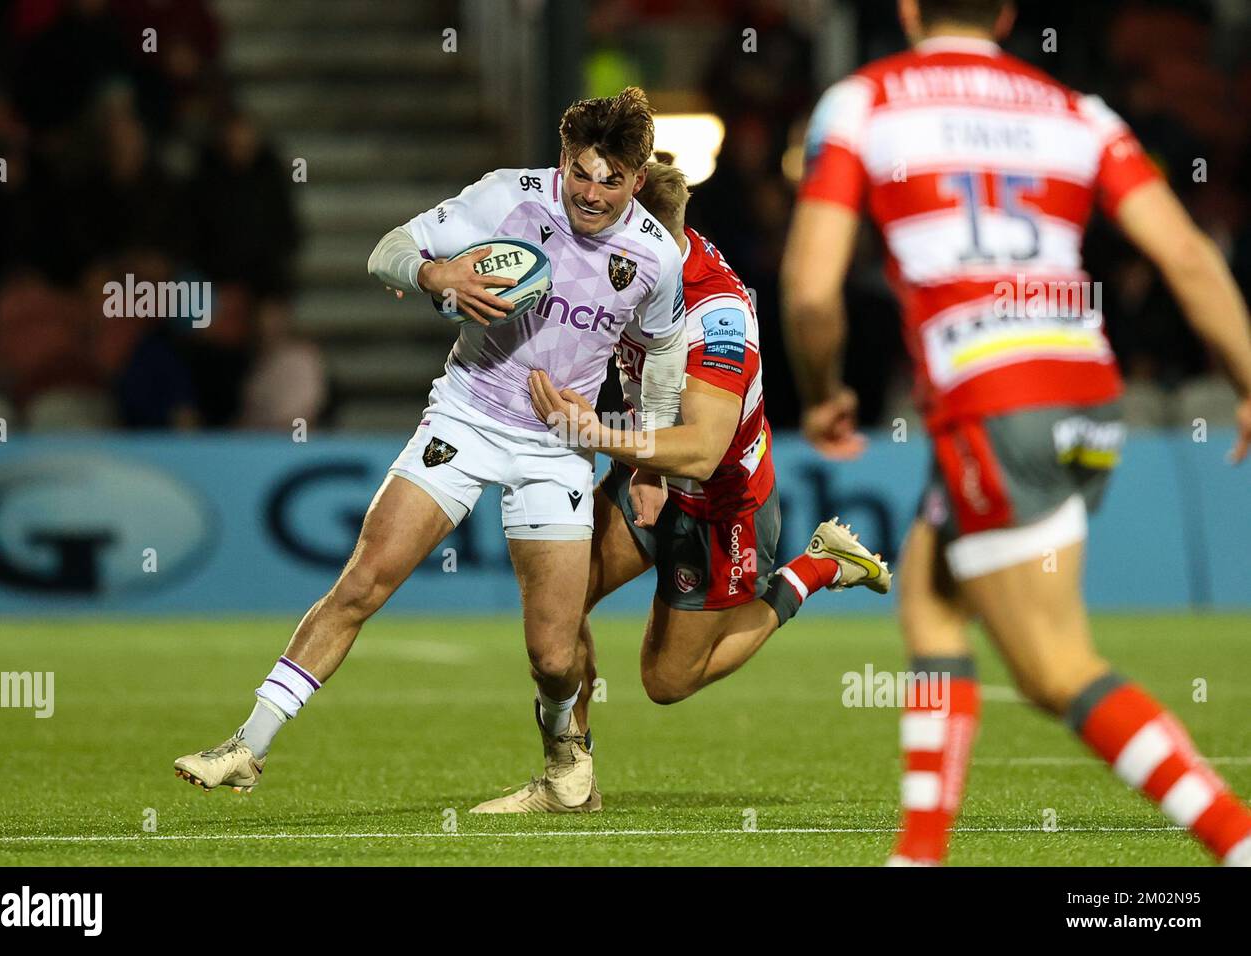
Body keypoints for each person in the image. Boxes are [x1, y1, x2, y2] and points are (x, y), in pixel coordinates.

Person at [782, 0, 1251, 866]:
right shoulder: (1078, 112)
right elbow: (1188, 255)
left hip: (995, 401)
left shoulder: (865, 101)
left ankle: (1235, 839)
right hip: (1085, 392)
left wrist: (822, 394)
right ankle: (919, 854)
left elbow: (811, 290)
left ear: (909, 8)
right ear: (1003, 14)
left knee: (1053, 668)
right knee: (929, 597)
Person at [175, 88, 687, 817]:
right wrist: (435, 274)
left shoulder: (658, 256)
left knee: (552, 654)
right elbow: (388, 251)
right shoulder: (508, 197)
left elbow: (664, 358)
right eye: (580, 172)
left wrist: (649, 462)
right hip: (466, 420)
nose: (592, 193)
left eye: (611, 180)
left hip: (558, 446)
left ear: (638, 180)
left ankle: (564, 761)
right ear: (562, 161)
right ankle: (246, 745)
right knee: (362, 582)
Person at [520, 160, 888, 814]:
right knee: (561, 597)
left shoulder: (717, 315)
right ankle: (570, 779)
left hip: (720, 503)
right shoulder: (627, 264)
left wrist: (593, 433)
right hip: (648, 466)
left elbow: (702, 448)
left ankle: (818, 566)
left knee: (666, 680)